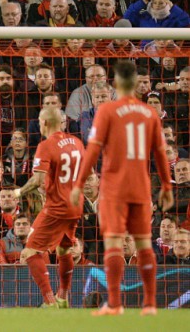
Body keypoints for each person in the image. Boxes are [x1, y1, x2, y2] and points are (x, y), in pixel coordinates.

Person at [71, 61, 174, 316]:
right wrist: (166, 185)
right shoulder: (149, 113)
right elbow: (160, 152)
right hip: (140, 187)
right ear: (135, 83)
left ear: (115, 84)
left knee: (114, 244)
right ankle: (150, 304)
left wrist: (79, 184)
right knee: (144, 245)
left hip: (114, 188)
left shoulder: (106, 111)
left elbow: (93, 151)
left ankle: (115, 304)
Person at [14, 107, 85, 308]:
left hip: (56, 207)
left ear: (44, 123)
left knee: (30, 251)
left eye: (39, 120)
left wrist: (19, 192)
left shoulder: (46, 146)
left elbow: (37, 180)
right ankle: (63, 297)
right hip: (75, 205)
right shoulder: (77, 143)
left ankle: (49, 301)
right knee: (64, 250)